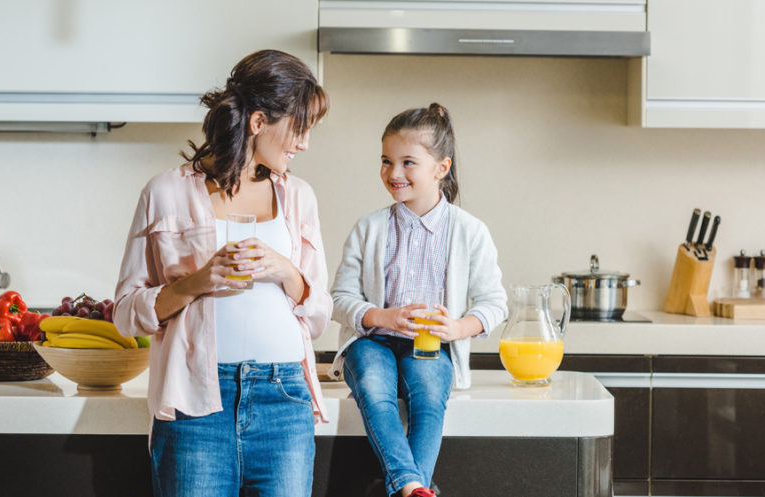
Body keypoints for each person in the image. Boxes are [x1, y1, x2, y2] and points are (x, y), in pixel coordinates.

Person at [112, 49, 331, 497]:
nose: (304, 143)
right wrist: (197, 282)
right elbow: (124, 314)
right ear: (257, 122)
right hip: (196, 401)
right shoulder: (165, 192)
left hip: (284, 396)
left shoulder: (299, 197)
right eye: (299, 127)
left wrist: (286, 270)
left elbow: (319, 314)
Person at [328, 103, 508, 497]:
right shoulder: (369, 228)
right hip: (370, 341)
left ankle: (408, 487)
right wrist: (382, 316)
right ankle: (414, 486)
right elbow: (339, 298)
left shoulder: (470, 231)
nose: (394, 173)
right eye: (386, 161)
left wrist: (459, 327)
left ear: (441, 168)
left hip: (429, 346)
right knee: (374, 389)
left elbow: (495, 303)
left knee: (428, 399)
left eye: (408, 162)